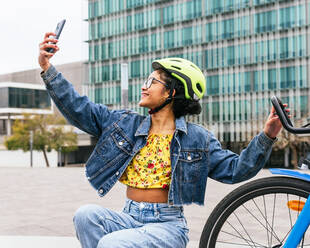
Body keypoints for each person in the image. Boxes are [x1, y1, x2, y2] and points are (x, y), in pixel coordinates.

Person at [38, 32, 285, 248]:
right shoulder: (126, 123)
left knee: (111, 243)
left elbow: (236, 170)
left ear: (172, 92)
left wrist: (267, 135)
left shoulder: (197, 138)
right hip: (129, 216)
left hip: (167, 227)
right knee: (85, 215)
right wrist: (48, 69)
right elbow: (80, 108)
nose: (144, 87)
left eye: (152, 82)